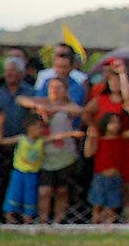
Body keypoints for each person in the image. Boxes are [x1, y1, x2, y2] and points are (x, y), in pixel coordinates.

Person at [18, 76, 84, 224]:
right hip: (43, 156)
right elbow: (21, 99)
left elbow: (79, 110)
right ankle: (43, 220)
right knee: (44, 191)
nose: (54, 90)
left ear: (65, 90)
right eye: (52, 87)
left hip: (64, 155)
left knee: (62, 190)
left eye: (58, 87)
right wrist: (39, 106)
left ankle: (58, 220)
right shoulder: (42, 102)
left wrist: (54, 109)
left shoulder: (69, 106)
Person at [0, 110, 61, 224]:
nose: (41, 130)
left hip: (32, 174)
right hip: (19, 173)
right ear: (30, 127)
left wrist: (72, 133)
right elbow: (0, 141)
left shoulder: (41, 141)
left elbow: (57, 136)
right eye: (39, 127)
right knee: (14, 193)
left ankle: (28, 217)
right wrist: (0, 124)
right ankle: (9, 216)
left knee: (30, 195)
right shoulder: (21, 139)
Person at [0, 55, 36, 219]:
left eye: (13, 71)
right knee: (4, 179)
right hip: (4, 144)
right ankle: (3, 214)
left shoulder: (30, 92)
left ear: (22, 73)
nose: (9, 74)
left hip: (25, 146)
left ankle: (24, 214)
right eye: (7, 71)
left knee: (25, 182)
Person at [85, 108, 129, 224]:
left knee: (111, 207)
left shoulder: (121, 138)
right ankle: (95, 223)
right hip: (101, 177)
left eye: (117, 122)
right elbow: (88, 153)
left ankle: (107, 224)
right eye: (112, 122)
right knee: (97, 204)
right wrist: (90, 138)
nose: (115, 125)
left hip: (116, 177)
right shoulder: (100, 140)